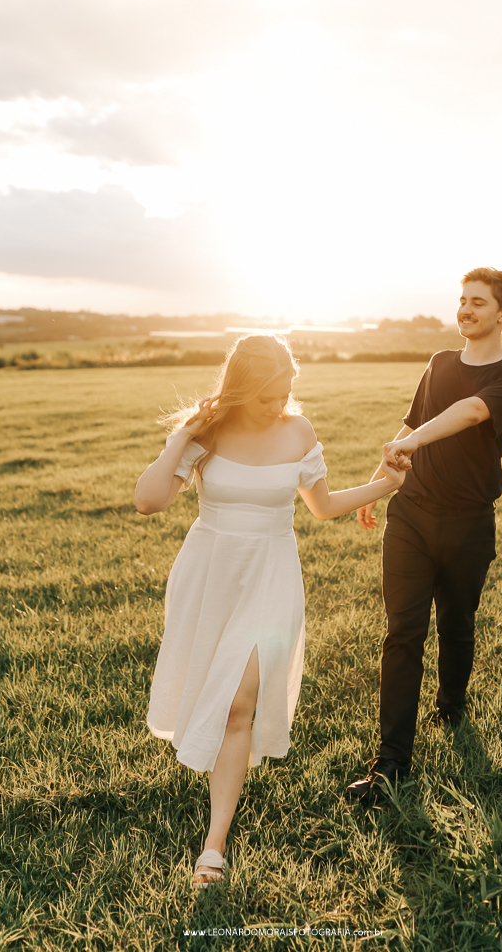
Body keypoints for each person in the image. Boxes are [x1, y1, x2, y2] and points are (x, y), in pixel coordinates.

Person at [135, 334, 410, 887]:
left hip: (272, 576)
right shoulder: (206, 432)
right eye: (266, 397)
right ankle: (215, 792)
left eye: (286, 393)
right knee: (213, 691)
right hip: (210, 573)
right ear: (239, 389)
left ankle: (213, 847)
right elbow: (149, 500)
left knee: (241, 702)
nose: (278, 406)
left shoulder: (298, 430)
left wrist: (386, 485)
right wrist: (177, 442)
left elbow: (323, 506)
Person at [346, 267, 502, 801]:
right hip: (410, 516)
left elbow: (469, 412)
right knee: (403, 632)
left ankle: (451, 708)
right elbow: (410, 427)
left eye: (478, 302)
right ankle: (390, 763)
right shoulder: (438, 363)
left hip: (468, 522)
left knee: (457, 624)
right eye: (461, 300)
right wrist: (375, 485)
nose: (466, 309)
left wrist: (411, 444)